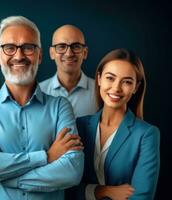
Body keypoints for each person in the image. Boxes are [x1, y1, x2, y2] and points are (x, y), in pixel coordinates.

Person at [0, 16, 84, 200]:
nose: (19, 56)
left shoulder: (60, 107)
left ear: (40, 55)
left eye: (28, 48)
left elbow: (72, 171)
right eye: (9, 48)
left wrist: (3, 173)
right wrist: (46, 156)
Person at [66, 48, 160, 199]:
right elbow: (65, 189)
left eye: (127, 82)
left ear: (136, 87)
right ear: (99, 78)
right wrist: (102, 191)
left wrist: (86, 191)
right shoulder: (79, 126)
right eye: (110, 78)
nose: (116, 88)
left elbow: (142, 196)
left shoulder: (147, 134)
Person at [40, 24, 98, 117]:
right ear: (52, 53)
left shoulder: (100, 92)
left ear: (85, 52)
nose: (69, 54)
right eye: (62, 46)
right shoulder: (38, 92)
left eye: (76, 46)